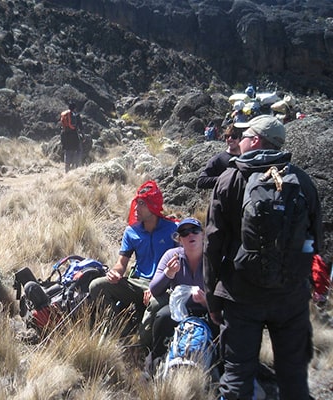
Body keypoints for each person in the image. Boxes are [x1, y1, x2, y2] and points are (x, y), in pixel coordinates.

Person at [204, 115, 323, 400]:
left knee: (237, 377)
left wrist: (213, 299)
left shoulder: (230, 179)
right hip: (290, 297)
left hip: (240, 295)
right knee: (293, 377)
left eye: (245, 136)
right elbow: (316, 241)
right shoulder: (301, 181)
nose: (239, 140)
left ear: (256, 140)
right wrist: (300, 281)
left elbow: (212, 245)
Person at [89, 180, 177, 342]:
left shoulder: (173, 229)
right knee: (97, 286)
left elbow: (181, 264)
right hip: (137, 282)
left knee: (155, 303)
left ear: (153, 205)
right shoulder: (131, 232)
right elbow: (122, 263)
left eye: (142, 203)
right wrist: (115, 273)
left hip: (163, 284)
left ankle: (142, 343)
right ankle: (123, 332)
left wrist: (158, 286)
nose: (136, 208)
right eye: (136, 203)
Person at [148, 218, 210, 363]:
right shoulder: (171, 256)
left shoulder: (213, 258)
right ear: (179, 239)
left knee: (224, 319)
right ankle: (156, 360)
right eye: (184, 232)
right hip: (179, 309)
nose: (190, 235)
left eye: (195, 230)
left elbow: (225, 292)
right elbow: (154, 289)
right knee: (162, 317)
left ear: (203, 234)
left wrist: (207, 301)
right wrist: (169, 273)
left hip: (208, 308)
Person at [196, 125, 242, 189]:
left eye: (234, 136)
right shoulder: (218, 159)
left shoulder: (246, 159)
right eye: (227, 136)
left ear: (240, 138)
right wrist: (224, 179)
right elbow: (201, 181)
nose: (230, 139)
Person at [60, 103, 83, 172]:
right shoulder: (76, 116)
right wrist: (83, 135)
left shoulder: (65, 116)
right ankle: (76, 167)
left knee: (67, 151)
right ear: (75, 108)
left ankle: (66, 169)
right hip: (74, 135)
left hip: (65, 136)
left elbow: (61, 126)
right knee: (78, 150)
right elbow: (81, 127)